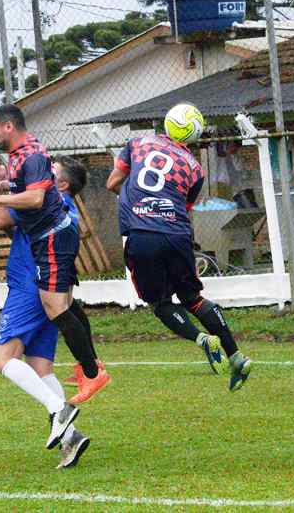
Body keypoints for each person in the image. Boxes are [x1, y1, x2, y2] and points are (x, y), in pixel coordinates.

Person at [0, 105, 109, 406]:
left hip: (44, 249)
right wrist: (4, 185)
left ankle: (92, 371)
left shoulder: (32, 158)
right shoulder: (25, 158)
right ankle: (87, 374)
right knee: (62, 309)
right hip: (44, 245)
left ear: (9, 126)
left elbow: (26, 204)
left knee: (54, 308)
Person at [105, 125, 252, 391]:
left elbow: (112, 183)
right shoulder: (195, 168)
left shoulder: (139, 142)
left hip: (143, 233)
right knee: (193, 299)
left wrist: (135, 198)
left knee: (161, 304)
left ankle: (202, 340)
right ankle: (236, 357)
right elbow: (183, 206)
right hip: (177, 234)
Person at [0, 156, 90, 468]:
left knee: (2, 360)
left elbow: (2, 220)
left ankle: (59, 410)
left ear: (61, 184)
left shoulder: (47, 199)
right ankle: (71, 437)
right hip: (49, 291)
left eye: (53, 171)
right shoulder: (63, 206)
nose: (44, 174)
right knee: (40, 368)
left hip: (29, 288)